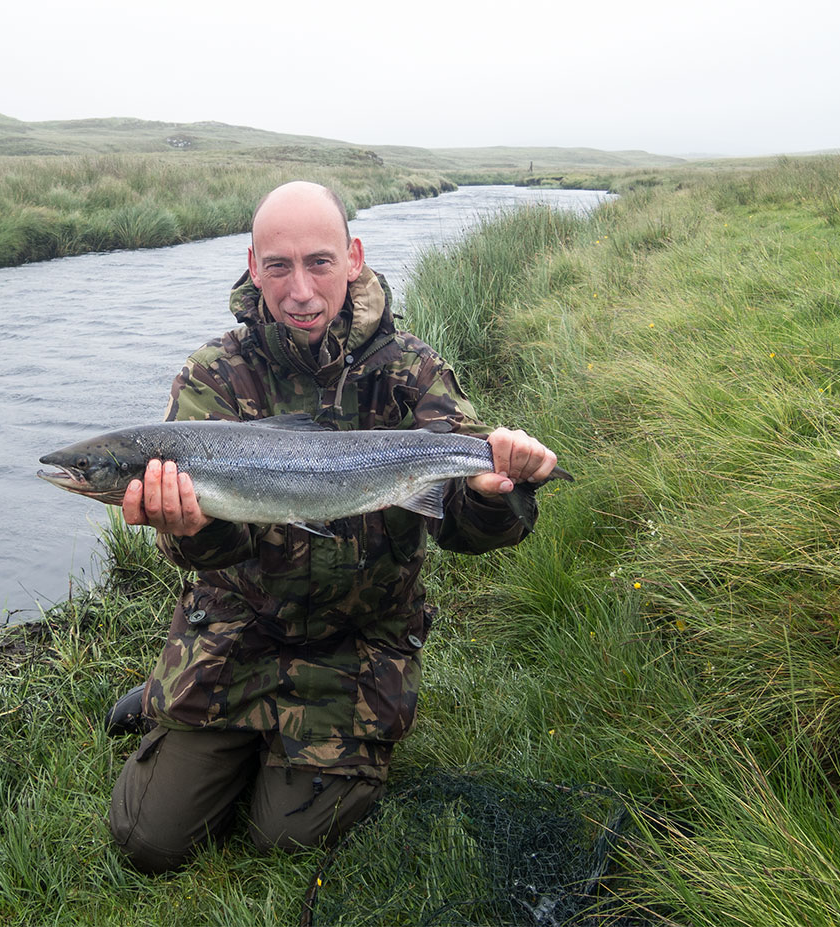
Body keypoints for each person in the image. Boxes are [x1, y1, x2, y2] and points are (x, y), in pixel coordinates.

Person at [107, 181, 560, 874]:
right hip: (241, 627)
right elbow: (208, 552)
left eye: (318, 262)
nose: (300, 290)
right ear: (253, 266)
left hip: (359, 636)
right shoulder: (211, 375)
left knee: (282, 835)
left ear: (353, 257)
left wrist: (496, 492)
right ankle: (177, 706)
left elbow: (464, 527)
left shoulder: (412, 369)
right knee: (148, 838)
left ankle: (263, 733)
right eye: (279, 266)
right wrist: (191, 528)